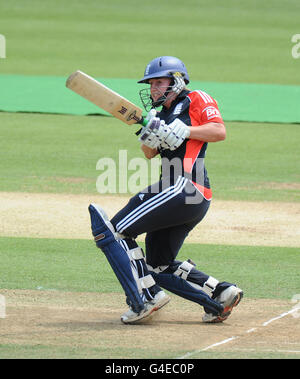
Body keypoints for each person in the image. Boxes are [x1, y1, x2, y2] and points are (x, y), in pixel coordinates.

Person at [88, 56, 243, 324]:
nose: (153, 89)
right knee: (156, 265)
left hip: (184, 186)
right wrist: (151, 132)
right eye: (151, 84)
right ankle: (220, 292)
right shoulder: (160, 114)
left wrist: (186, 130)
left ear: (177, 80)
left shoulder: (196, 98)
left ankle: (146, 299)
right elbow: (149, 153)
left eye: (159, 82)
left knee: (115, 232)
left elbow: (219, 131)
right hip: (188, 197)